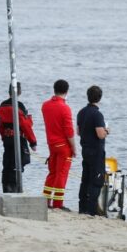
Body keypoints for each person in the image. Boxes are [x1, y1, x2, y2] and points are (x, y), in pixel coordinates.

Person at [0, 82, 38, 193]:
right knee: (18, 162)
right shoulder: (19, 106)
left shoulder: (3, 105)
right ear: (19, 92)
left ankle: (6, 186)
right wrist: (33, 142)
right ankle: (13, 186)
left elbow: (1, 125)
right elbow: (25, 126)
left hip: (7, 138)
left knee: (7, 162)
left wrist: (3, 137)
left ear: (9, 91)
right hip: (18, 138)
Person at [41, 79, 76, 210]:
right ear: (66, 91)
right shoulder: (65, 108)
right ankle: (57, 204)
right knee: (62, 174)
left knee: (53, 173)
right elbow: (69, 131)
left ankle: (45, 200)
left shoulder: (45, 105)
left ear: (54, 89)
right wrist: (74, 148)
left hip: (51, 144)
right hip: (63, 146)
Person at [76, 85, 109, 216]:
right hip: (96, 150)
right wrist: (107, 131)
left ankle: (82, 207)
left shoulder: (81, 112)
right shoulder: (97, 114)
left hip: (85, 149)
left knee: (85, 179)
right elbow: (100, 134)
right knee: (96, 180)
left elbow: (78, 132)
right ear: (99, 98)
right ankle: (91, 209)